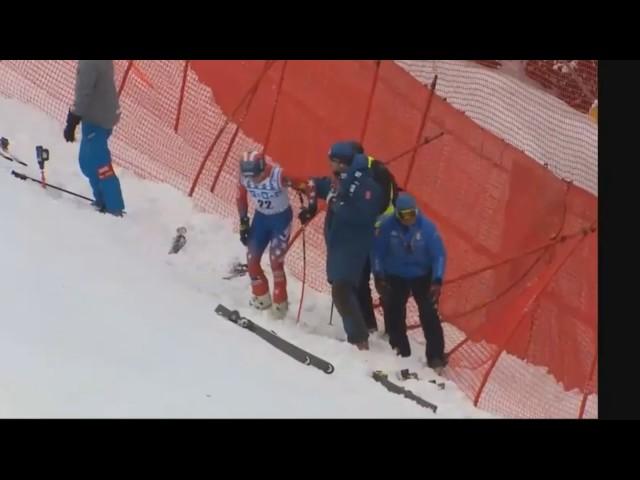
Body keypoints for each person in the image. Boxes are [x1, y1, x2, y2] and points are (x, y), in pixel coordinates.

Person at [299, 152, 383, 350]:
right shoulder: (338, 183)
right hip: (337, 245)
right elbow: (317, 185)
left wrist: (335, 203)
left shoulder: (368, 189)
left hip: (353, 246)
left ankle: (359, 339)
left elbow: (359, 214)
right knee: (341, 287)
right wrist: (305, 191)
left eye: (338, 163)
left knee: (341, 290)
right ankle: (360, 332)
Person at [323, 141, 400, 334]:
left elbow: (377, 206)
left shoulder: (377, 174)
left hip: (381, 232)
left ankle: (394, 331)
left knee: (384, 282)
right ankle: (369, 324)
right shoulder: (348, 174)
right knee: (358, 278)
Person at [372, 192, 448, 372]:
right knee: (394, 309)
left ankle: (436, 356)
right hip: (396, 274)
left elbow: (439, 255)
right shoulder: (386, 227)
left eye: (411, 215)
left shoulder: (427, 229)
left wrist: (437, 279)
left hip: (422, 274)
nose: (409, 220)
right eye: (404, 216)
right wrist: (379, 276)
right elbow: (377, 253)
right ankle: (400, 349)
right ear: (397, 214)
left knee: (429, 312)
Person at [237, 150, 316, 319]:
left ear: (263, 168)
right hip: (261, 219)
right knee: (252, 259)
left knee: (275, 261)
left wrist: (311, 207)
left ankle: (280, 306)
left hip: (280, 220)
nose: (253, 180)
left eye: (256, 176)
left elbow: (308, 186)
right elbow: (240, 198)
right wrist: (244, 223)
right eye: (249, 176)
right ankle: (261, 299)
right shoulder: (244, 176)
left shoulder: (278, 176)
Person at [63, 60, 125, 216]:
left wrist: (73, 119)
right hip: (98, 116)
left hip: (98, 120)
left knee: (99, 165)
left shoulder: (88, 63)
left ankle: (113, 207)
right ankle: (101, 200)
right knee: (87, 162)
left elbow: (84, 92)